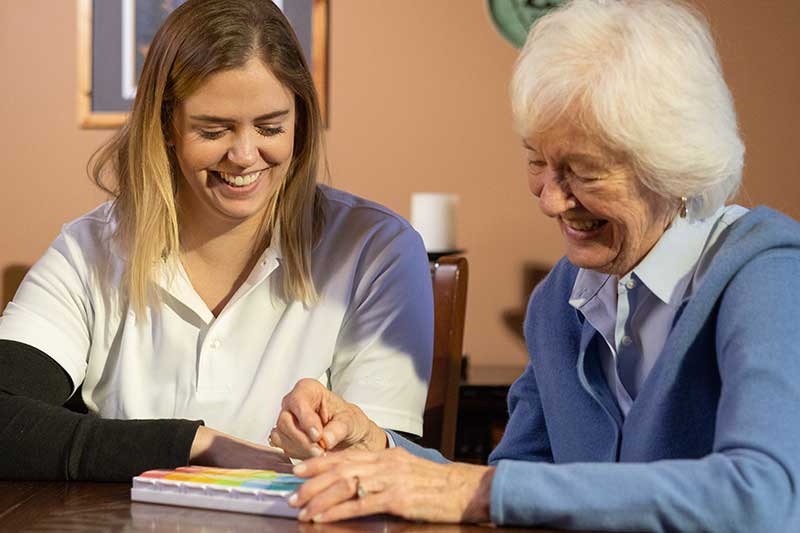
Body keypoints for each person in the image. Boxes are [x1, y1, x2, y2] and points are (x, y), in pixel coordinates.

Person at [271, 0, 800, 530]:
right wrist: (373, 446)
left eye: (583, 172)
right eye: (536, 161)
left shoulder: (765, 274)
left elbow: (763, 495)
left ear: (674, 164)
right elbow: (513, 481)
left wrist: (488, 491)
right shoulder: (561, 301)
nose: (550, 200)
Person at [0, 0, 432, 481]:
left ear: (301, 121)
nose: (245, 156)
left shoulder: (376, 249)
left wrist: (353, 438)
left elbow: (387, 465)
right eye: (213, 130)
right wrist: (197, 443)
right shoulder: (89, 251)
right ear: (166, 127)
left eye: (271, 127)